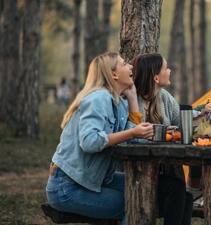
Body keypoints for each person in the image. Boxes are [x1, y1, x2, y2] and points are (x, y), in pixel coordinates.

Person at [45, 52, 154, 222]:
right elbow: (90, 142)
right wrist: (132, 132)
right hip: (66, 187)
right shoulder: (99, 98)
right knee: (130, 203)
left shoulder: (117, 102)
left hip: (97, 179)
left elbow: (134, 140)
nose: (131, 66)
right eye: (124, 64)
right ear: (114, 74)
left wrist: (132, 97)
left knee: (142, 186)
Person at [132, 53, 193, 225]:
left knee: (185, 195)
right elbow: (133, 135)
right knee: (179, 190)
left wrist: (203, 112)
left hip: (162, 172)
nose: (170, 70)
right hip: (138, 175)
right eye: (166, 68)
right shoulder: (133, 100)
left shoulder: (163, 96)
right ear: (156, 77)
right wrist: (164, 133)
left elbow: (180, 122)